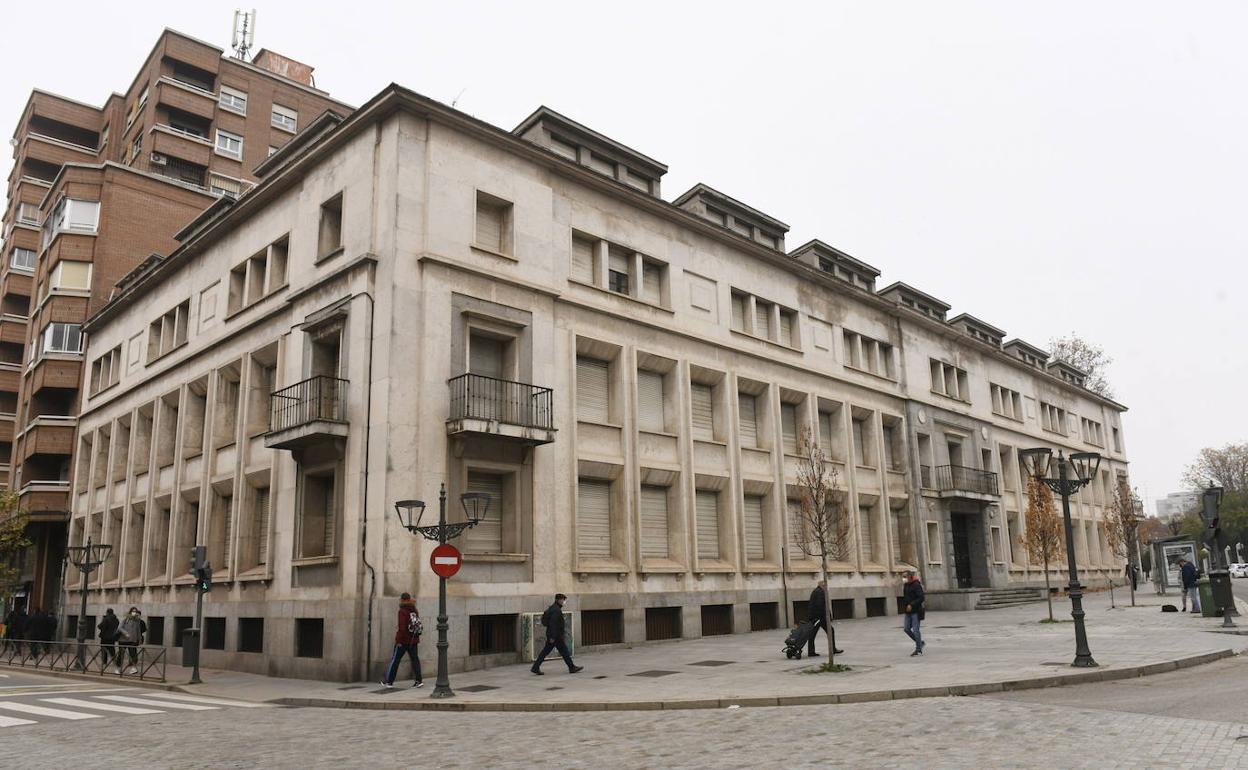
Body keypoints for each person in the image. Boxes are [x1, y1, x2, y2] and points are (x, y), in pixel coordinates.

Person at [530, 593, 582, 675]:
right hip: (555, 636)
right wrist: (553, 636)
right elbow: (553, 624)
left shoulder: (553, 608)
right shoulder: (556, 610)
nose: (564, 602)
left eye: (564, 600)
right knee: (563, 651)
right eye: (563, 600)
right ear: (558, 600)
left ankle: (535, 667)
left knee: (551, 651)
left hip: (554, 635)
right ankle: (571, 667)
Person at [380, 592, 423, 688]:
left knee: (395, 660)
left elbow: (402, 627)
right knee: (415, 659)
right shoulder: (414, 610)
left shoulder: (402, 611)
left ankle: (389, 681)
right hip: (414, 640)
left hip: (403, 641)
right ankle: (418, 681)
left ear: (402, 600)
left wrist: (398, 640)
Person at [806, 580, 844, 657]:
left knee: (815, 633)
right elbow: (821, 606)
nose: (826, 587)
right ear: (822, 585)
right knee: (815, 633)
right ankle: (831, 649)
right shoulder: (820, 592)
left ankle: (812, 651)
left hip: (817, 617)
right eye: (825, 585)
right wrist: (826, 617)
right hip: (819, 617)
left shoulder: (817, 591)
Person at [116, 606, 146, 675]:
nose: (134, 613)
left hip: (132, 640)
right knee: (121, 655)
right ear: (130, 612)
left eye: (135, 612)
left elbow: (138, 631)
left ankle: (133, 668)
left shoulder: (137, 621)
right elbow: (119, 628)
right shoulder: (126, 619)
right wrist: (125, 633)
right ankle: (118, 668)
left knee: (133, 655)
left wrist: (140, 640)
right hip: (123, 640)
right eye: (133, 611)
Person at [902, 570, 926, 657]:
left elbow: (921, 597)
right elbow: (905, 598)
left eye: (905, 576)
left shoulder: (916, 585)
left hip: (916, 611)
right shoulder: (905, 585)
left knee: (916, 630)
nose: (903, 578)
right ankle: (920, 642)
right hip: (907, 611)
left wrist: (912, 604)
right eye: (903, 577)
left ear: (910, 576)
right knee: (906, 629)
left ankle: (918, 648)